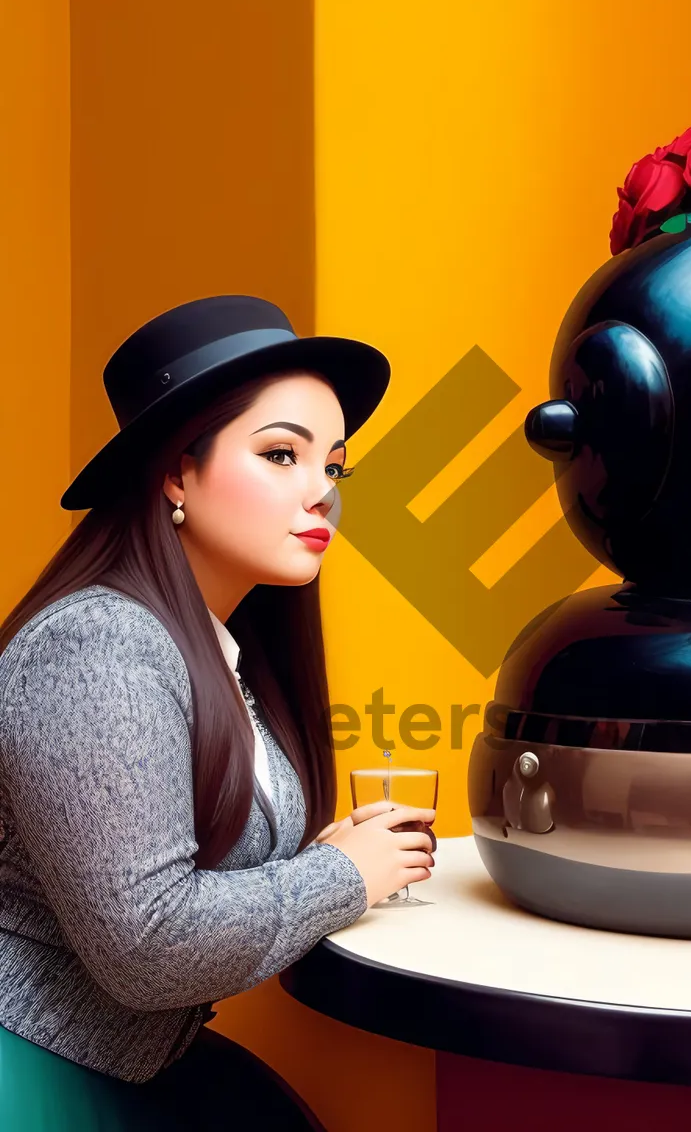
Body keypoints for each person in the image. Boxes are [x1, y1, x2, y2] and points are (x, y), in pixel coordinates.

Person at [0, 296, 437, 1129]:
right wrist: (342, 874)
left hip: (133, 1061)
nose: (322, 495)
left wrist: (341, 858)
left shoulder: (220, 652)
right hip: (31, 1069)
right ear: (174, 473)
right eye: (282, 455)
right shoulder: (98, 645)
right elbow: (148, 948)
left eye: (335, 468)